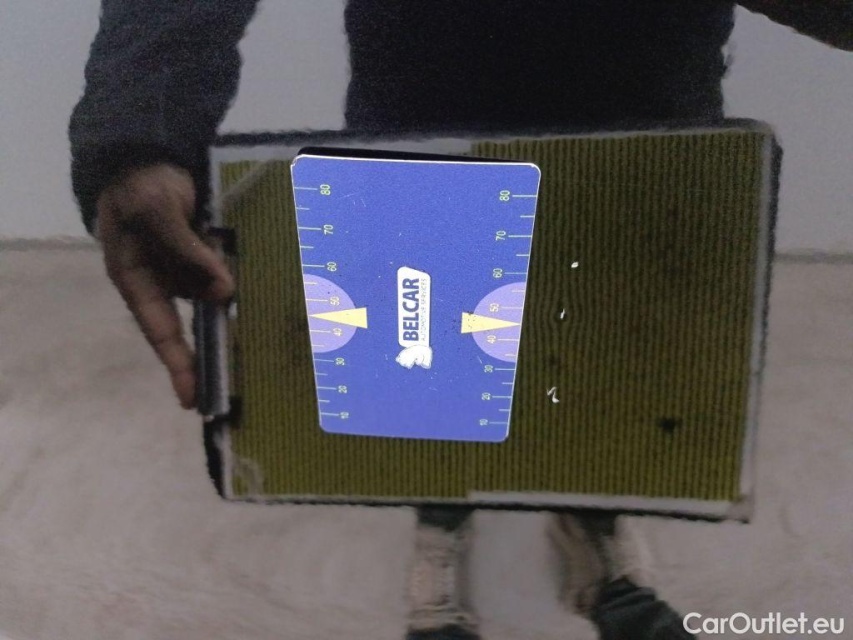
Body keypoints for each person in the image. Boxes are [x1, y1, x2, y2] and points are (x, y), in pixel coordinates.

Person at [69, 2, 851, 639]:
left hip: (646, 90)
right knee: (425, 348)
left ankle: (593, 523)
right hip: (428, 82)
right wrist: (139, 129)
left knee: (606, 347)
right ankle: (440, 521)